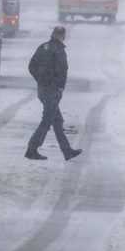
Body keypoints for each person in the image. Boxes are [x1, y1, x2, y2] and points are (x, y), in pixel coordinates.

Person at [26, 26, 82, 161]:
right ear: (62, 36)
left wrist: (40, 80)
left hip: (43, 89)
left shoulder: (43, 47)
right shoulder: (59, 50)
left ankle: (67, 151)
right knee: (46, 121)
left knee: (57, 121)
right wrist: (58, 86)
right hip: (52, 91)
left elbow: (31, 66)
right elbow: (62, 71)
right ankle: (31, 149)